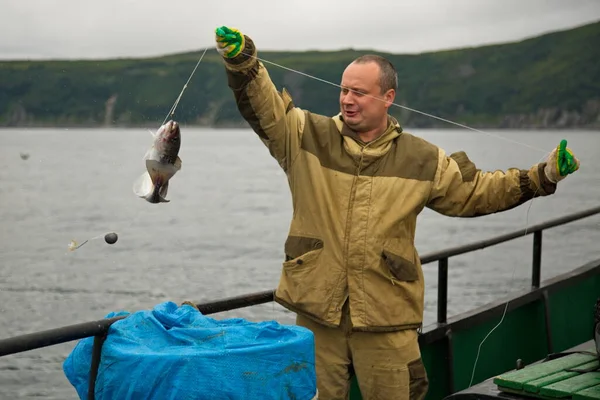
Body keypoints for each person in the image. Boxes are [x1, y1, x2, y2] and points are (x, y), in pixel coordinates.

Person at [213, 25, 580, 400]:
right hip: (317, 314)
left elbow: (474, 192)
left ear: (388, 97)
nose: (347, 99)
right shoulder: (305, 135)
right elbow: (266, 108)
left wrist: (543, 175)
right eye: (343, 89)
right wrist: (243, 62)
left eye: (359, 92)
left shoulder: (422, 158)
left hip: (387, 319)